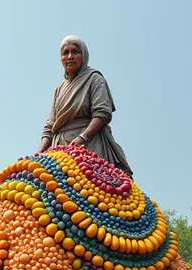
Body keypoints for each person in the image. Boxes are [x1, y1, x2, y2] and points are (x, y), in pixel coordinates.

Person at [39, 35, 133, 178]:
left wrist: (82, 137)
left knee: (91, 191)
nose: (70, 56)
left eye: (75, 52)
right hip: (59, 150)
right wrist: (39, 155)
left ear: (84, 55)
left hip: (89, 145)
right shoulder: (58, 90)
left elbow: (102, 114)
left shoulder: (94, 78)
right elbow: (49, 127)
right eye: (65, 53)